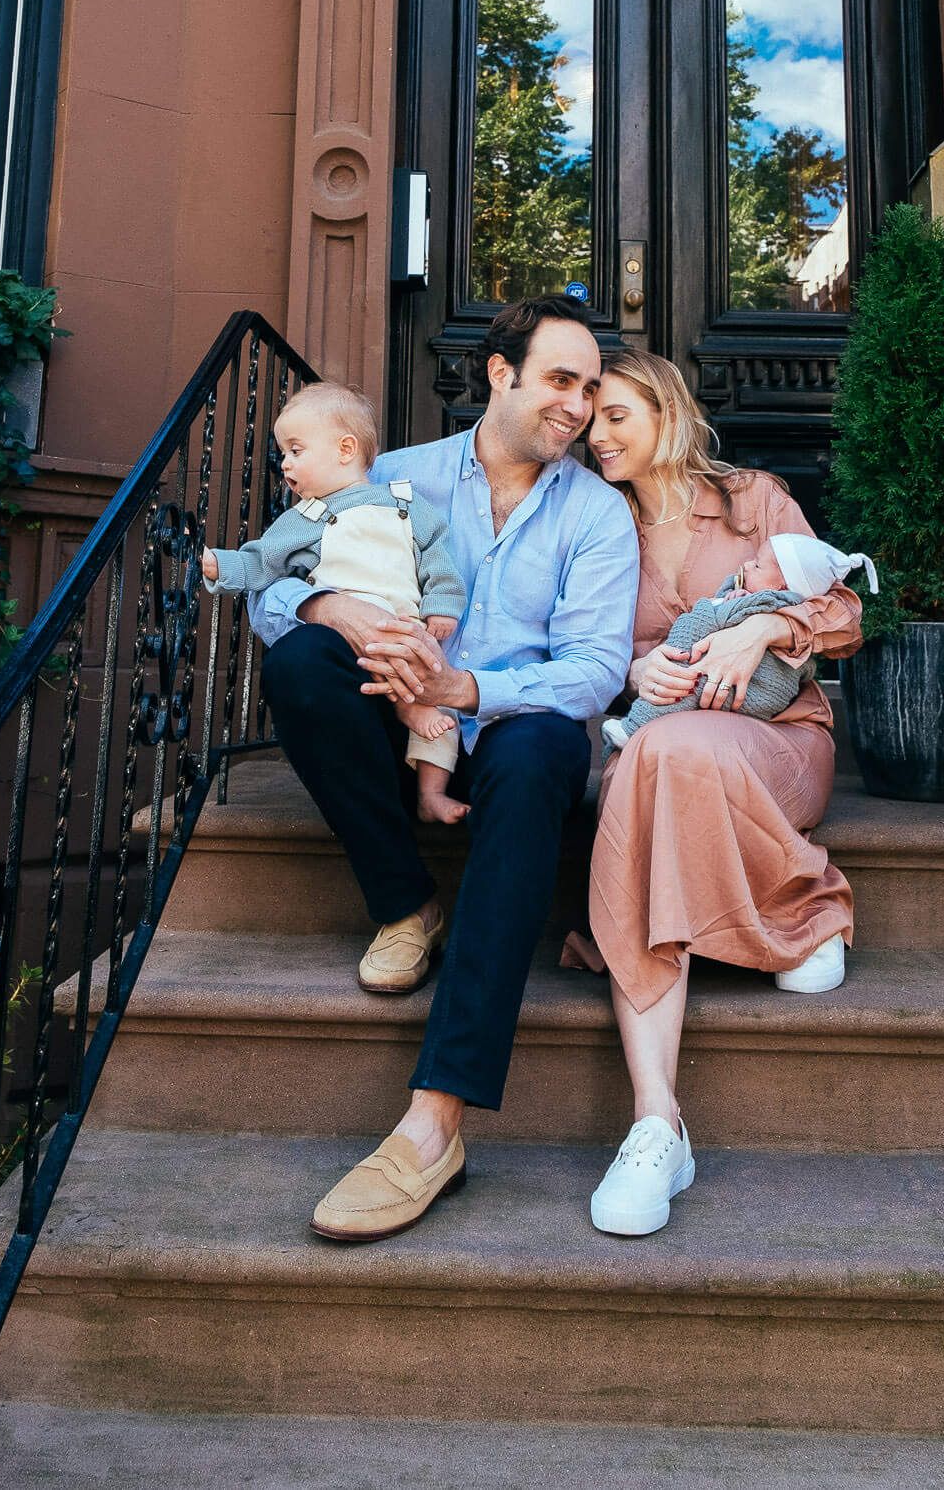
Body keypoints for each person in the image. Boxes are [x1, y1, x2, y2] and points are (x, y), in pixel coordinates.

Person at [252, 295, 640, 1242]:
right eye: (560, 380)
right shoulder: (395, 476)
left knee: (544, 741)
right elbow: (272, 584)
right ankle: (405, 904)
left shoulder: (598, 514)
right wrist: (331, 609)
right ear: (501, 374)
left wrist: (468, 688)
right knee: (301, 661)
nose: (579, 406)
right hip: (396, 732)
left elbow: (594, 670)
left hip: (510, 736)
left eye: (590, 388)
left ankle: (436, 1122)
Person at [581, 349, 863, 1238]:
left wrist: (767, 628)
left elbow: (846, 614)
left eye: (617, 416)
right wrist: (633, 671)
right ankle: (656, 1121)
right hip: (659, 746)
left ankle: (797, 905)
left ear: (667, 413)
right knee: (656, 757)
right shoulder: (594, 522)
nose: (597, 437)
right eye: (590, 420)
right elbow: (571, 649)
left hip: (780, 741)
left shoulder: (751, 500)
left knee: (659, 759)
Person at [199, 381, 471, 825]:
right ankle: (406, 710)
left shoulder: (405, 502)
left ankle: (430, 794)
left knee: (440, 707)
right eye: (283, 452)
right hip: (346, 641)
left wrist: (443, 602)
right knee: (390, 694)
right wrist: (220, 566)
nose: (284, 463)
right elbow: (262, 562)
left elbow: (437, 555)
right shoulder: (303, 518)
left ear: (346, 449)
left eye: (295, 450)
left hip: (407, 628)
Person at [599, 532, 878, 756]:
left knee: (687, 683)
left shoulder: (772, 598)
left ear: (782, 586)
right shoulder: (762, 596)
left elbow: (710, 617)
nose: (745, 566)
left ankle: (633, 728)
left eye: (757, 565)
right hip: (758, 697)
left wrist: (762, 626)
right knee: (679, 688)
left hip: (755, 692)